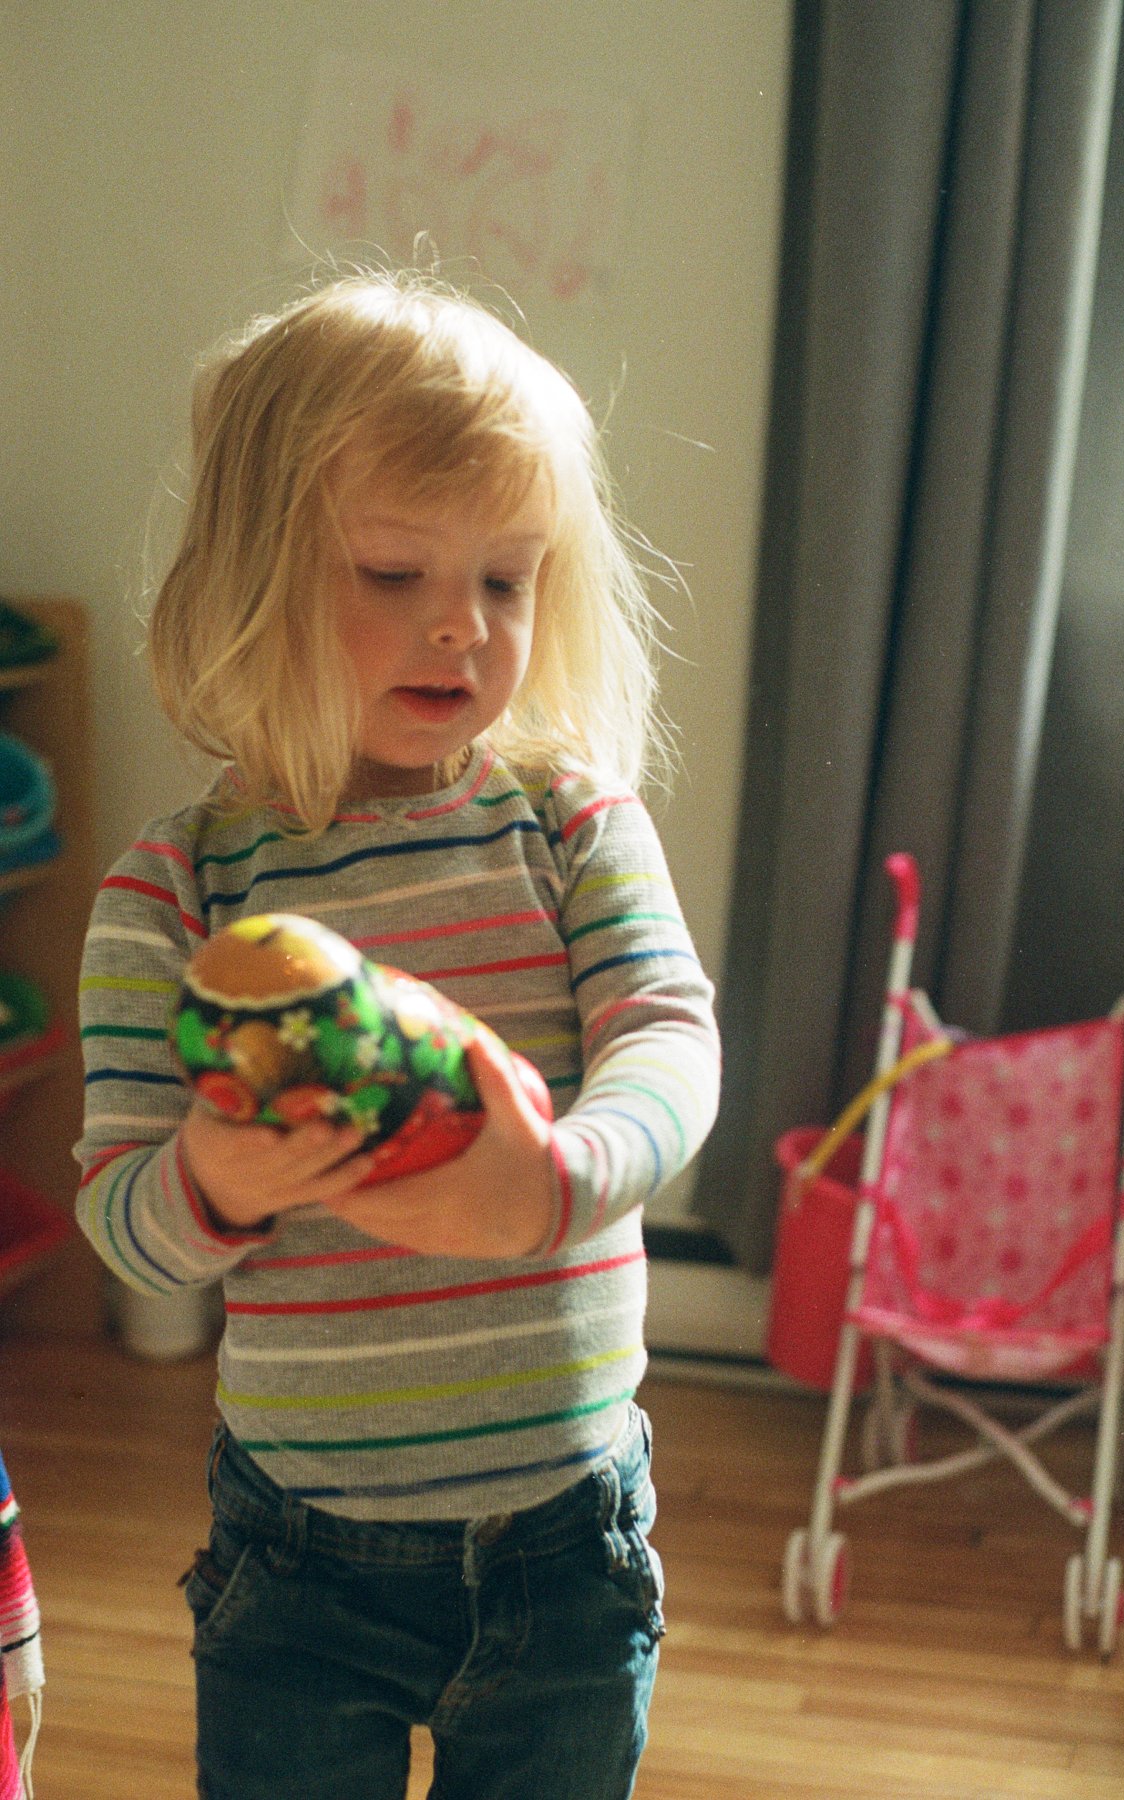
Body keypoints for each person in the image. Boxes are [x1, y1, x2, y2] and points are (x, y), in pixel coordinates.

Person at [75, 271, 721, 1800]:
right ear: (251, 576)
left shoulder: (567, 826)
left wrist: (559, 1177)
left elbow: (671, 1041)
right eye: (390, 573)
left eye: (506, 580)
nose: (460, 625)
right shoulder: (178, 889)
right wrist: (219, 1179)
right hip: (301, 1556)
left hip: (566, 1534)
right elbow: (123, 1219)